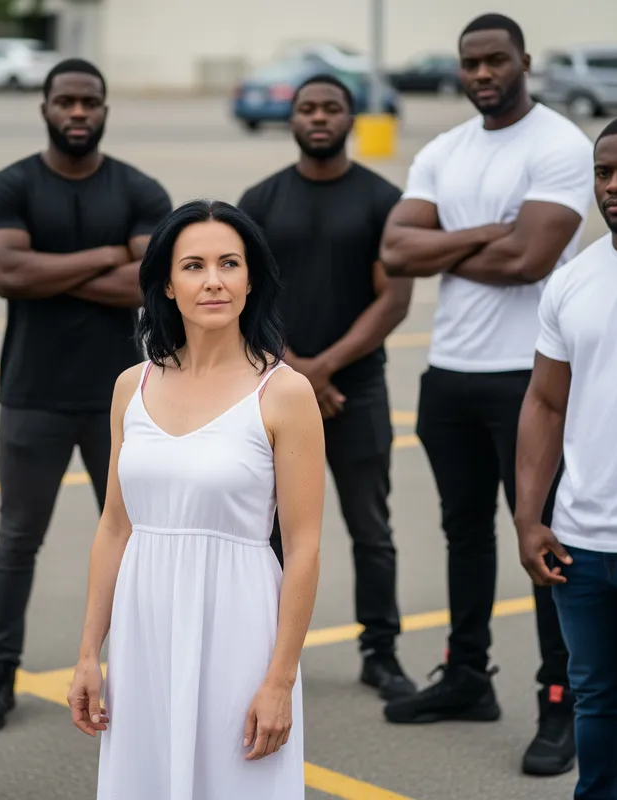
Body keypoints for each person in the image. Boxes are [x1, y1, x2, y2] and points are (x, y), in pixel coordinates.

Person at [378, 13, 594, 776]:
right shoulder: (444, 148)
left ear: (524, 61)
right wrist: (481, 234)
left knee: (542, 542)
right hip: (450, 374)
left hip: (526, 375)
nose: (481, 74)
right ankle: (468, 677)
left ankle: (560, 703)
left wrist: (449, 242)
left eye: (495, 60)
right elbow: (395, 248)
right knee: (463, 534)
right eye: (470, 62)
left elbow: (531, 258)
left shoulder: (560, 144)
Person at [66, 199, 324, 799]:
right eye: (194, 266)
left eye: (230, 263)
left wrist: (280, 679)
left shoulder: (284, 392)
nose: (213, 281)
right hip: (143, 630)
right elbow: (113, 528)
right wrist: (87, 654)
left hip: (240, 628)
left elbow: (305, 548)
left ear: (250, 278)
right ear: (166, 284)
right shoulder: (132, 385)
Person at [0, 58, 172, 733]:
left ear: (105, 109)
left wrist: (45, 271)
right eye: (65, 102)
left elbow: (151, 284)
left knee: (136, 542)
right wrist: (108, 256)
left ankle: (148, 674)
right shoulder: (11, 185)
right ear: (45, 107)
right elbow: (5, 272)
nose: (77, 112)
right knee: (17, 539)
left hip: (126, 400)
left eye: (89, 102)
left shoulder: (140, 189)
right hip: (32, 394)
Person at [237, 73, 416, 701]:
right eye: (308, 107)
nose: (319, 117)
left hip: (356, 392)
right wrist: (295, 373)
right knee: (271, 531)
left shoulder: (381, 198)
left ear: (351, 116)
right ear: (292, 118)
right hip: (272, 396)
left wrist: (323, 370)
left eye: (332, 108)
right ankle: (265, 652)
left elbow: (394, 300)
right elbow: (242, 298)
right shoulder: (258, 202)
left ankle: (381, 653)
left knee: (371, 528)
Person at [514, 117, 617, 800]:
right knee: (598, 707)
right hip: (583, 546)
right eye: (603, 173)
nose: (613, 187)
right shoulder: (573, 280)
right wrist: (530, 517)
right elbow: (545, 404)